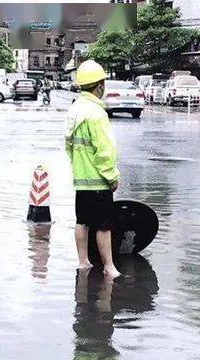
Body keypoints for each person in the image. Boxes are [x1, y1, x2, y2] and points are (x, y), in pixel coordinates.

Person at [65, 60, 121, 279]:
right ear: (99, 85)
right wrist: (112, 176)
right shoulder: (97, 113)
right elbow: (105, 150)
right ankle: (109, 266)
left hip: (81, 179)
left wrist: (78, 168)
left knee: (82, 221)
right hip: (98, 180)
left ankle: (83, 262)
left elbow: (68, 145)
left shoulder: (74, 110)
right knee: (103, 225)